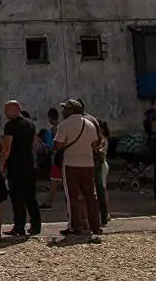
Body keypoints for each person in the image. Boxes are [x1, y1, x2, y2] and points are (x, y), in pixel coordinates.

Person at [55, 99, 103, 238]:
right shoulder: (89, 124)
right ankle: (96, 226)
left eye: (65, 108)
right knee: (91, 197)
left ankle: (75, 227)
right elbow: (94, 145)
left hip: (71, 164)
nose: (63, 111)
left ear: (70, 110)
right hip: (88, 164)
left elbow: (58, 145)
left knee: (73, 198)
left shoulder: (64, 125)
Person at [1, 101, 41, 237]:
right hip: (28, 164)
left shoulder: (10, 125)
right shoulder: (30, 124)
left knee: (17, 197)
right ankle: (36, 226)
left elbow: (7, 148)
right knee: (30, 197)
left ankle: (19, 226)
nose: (5, 113)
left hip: (15, 165)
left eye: (7, 110)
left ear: (15, 109)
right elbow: (34, 145)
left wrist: (1, 164)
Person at [38, 107, 60, 209]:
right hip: (60, 157)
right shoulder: (60, 127)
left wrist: (48, 149)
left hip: (58, 158)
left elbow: (55, 145)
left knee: (55, 181)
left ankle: (48, 202)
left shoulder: (54, 129)